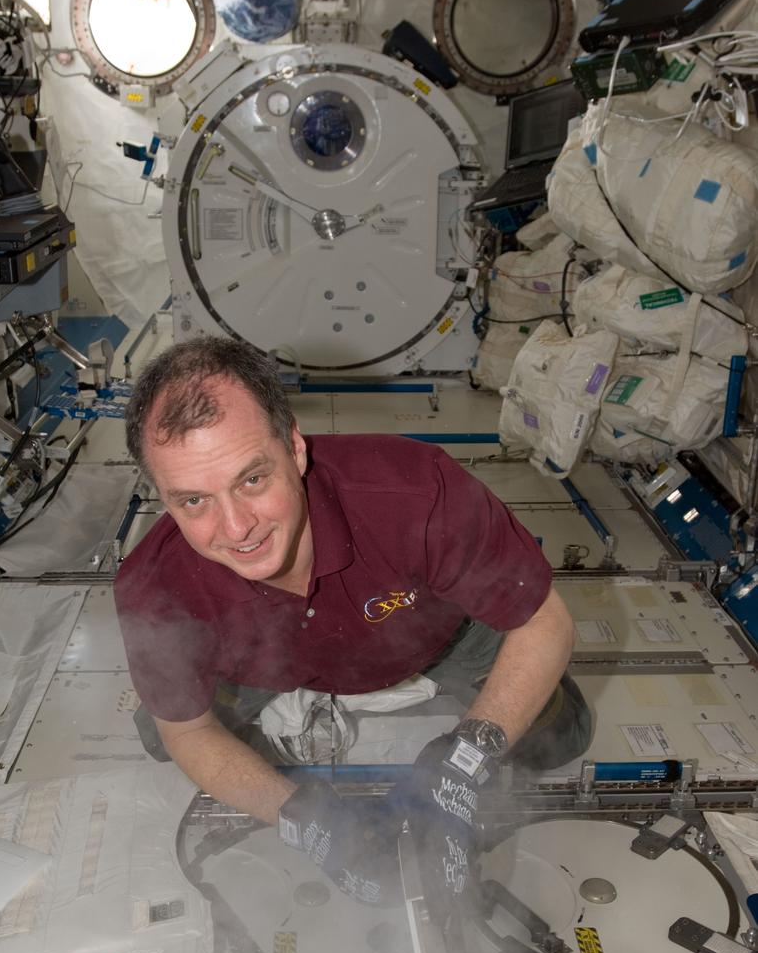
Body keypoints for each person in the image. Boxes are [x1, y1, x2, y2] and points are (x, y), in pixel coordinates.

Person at [114, 336, 592, 909]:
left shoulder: (415, 493)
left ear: (294, 447)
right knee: (161, 731)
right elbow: (188, 732)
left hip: (441, 639)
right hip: (267, 661)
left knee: (561, 735)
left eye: (251, 479)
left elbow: (544, 621)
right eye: (193, 501)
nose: (236, 527)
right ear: (162, 496)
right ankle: (286, 730)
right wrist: (299, 813)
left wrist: (464, 761)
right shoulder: (157, 587)